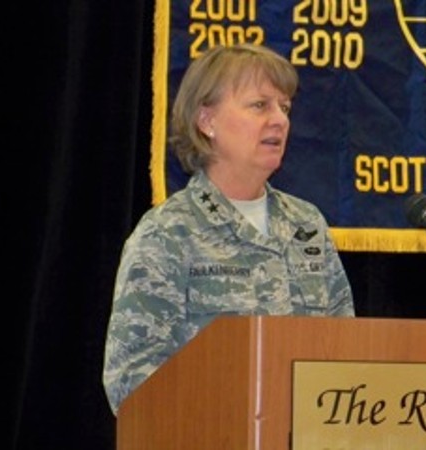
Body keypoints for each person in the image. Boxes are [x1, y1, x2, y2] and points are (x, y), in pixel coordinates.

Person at [102, 43, 355, 414]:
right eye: (260, 105)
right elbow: (131, 380)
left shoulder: (307, 225)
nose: (280, 120)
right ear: (207, 121)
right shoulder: (168, 233)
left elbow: (347, 351)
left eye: (284, 108)